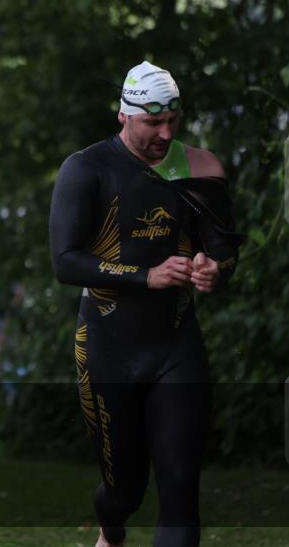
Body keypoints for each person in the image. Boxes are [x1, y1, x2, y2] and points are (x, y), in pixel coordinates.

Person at [48, 61, 243, 547]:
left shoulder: (200, 166)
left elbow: (224, 249)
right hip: (107, 349)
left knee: (180, 484)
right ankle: (111, 531)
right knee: (125, 491)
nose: (165, 133)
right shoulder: (87, 168)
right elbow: (65, 262)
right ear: (124, 115)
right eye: (153, 122)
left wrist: (213, 267)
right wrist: (146, 276)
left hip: (175, 346)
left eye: (172, 120)